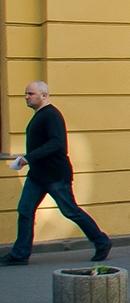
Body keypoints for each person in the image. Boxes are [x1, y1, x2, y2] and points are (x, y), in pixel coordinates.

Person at [2, 82, 111, 266]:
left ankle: (102, 241)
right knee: (25, 211)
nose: (27, 97)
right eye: (26, 94)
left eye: (31, 94)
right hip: (37, 176)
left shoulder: (51, 115)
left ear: (44, 95)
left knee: (70, 211)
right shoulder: (39, 116)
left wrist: (28, 158)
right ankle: (20, 254)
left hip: (54, 175)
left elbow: (57, 143)